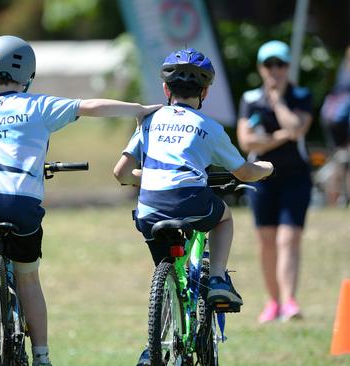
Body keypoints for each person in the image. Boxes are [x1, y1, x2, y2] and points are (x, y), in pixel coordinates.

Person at [0, 35, 161, 366]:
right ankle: (42, 356)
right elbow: (89, 106)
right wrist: (139, 110)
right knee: (28, 278)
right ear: (29, 75)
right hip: (22, 205)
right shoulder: (39, 105)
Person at [112, 48, 273, 365]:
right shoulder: (209, 127)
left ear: (165, 89)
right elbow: (243, 172)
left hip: (149, 208)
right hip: (190, 199)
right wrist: (267, 168)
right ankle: (216, 280)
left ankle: (153, 346)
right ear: (206, 91)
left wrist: (148, 176)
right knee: (223, 218)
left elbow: (120, 173)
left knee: (168, 270)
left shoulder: (149, 120)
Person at [236, 40, 314, 323]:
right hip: (262, 180)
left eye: (280, 64)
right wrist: (280, 136)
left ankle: (290, 301)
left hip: (296, 178)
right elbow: (245, 140)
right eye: (269, 65)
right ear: (261, 68)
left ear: (288, 67)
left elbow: (297, 128)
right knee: (266, 242)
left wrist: (279, 102)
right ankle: (273, 303)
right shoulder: (249, 98)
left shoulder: (301, 95)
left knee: (288, 239)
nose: (275, 70)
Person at [319, 45, 350, 206]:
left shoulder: (342, 73)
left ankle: (335, 200)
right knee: (343, 161)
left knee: (338, 161)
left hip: (331, 120)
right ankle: (339, 199)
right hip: (343, 124)